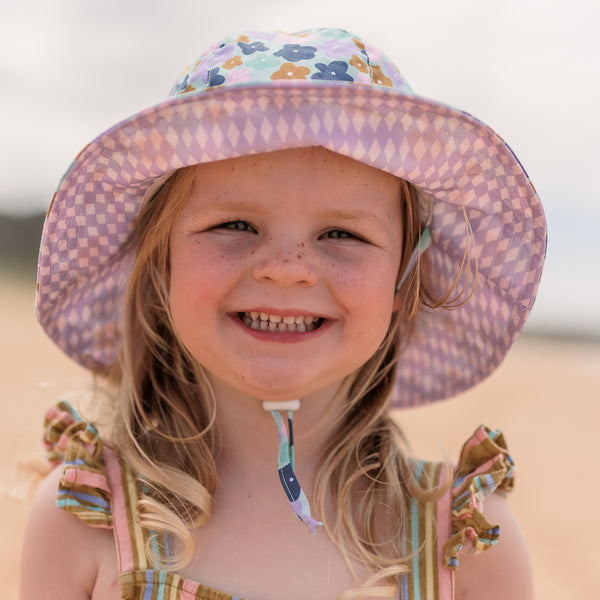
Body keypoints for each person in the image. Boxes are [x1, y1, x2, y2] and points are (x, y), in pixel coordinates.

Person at [20, 28, 546, 600]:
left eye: (343, 233)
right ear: (160, 259)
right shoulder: (84, 522)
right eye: (234, 224)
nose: (287, 269)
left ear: (404, 278)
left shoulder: (464, 546)